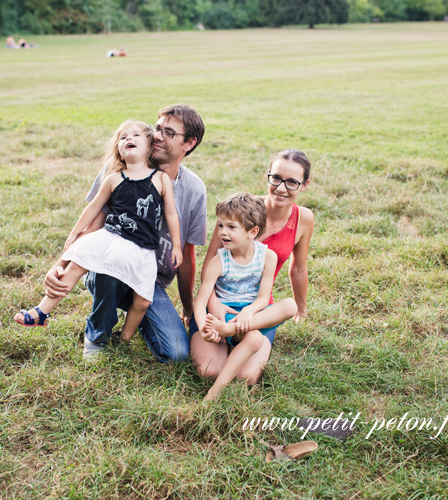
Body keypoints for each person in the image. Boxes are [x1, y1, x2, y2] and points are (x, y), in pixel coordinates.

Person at [43, 104, 207, 363]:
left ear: (189, 143)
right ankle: (97, 335)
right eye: (157, 128)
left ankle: (134, 324)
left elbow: (186, 254)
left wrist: (188, 310)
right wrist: (61, 264)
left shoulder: (194, 190)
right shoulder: (121, 170)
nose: (158, 136)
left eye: (169, 133)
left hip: (148, 279)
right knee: (109, 266)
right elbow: (95, 223)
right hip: (108, 261)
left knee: (175, 353)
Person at [14, 120, 182, 344]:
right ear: (119, 150)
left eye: (135, 136)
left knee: (142, 302)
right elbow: (93, 207)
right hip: (111, 237)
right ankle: (40, 311)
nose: (128, 139)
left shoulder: (160, 179)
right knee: (76, 264)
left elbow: (171, 214)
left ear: (150, 145)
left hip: (142, 249)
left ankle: (123, 338)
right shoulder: (113, 178)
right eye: (123, 138)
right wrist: (75, 233)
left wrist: (177, 246)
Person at [191, 149, 315, 387]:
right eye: (276, 178)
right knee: (208, 371)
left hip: (256, 308)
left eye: (292, 182)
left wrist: (301, 309)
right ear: (268, 175)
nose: (281, 188)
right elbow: (211, 265)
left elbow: (298, 268)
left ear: (304, 185)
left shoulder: (304, 219)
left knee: (246, 377)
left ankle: (236, 332)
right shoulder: (239, 211)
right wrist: (213, 303)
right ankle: (224, 333)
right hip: (220, 302)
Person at [193, 193, 297, 401]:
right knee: (210, 370)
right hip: (224, 315)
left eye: (231, 227)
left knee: (289, 306)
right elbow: (201, 300)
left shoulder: (267, 256)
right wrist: (204, 327)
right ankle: (214, 389)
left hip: (252, 317)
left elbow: (263, 297)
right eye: (221, 225)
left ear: (253, 232)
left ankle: (214, 392)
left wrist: (248, 311)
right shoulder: (219, 261)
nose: (223, 232)